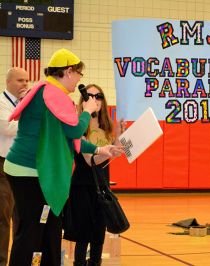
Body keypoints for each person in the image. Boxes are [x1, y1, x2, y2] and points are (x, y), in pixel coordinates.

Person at [3, 49, 124, 266]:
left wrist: (99, 150)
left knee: (50, 227)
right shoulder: (52, 94)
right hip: (29, 171)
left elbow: (67, 137)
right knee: (33, 229)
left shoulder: (49, 92)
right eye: (79, 74)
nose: (79, 80)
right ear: (68, 72)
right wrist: (87, 111)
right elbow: (75, 131)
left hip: (35, 170)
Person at [63, 84, 125, 266]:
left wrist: (120, 133)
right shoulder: (78, 124)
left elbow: (113, 152)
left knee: (98, 235)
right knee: (83, 235)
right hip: (82, 186)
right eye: (90, 96)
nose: (95, 99)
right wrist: (109, 152)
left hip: (102, 187)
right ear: (84, 101)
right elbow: (90, 160)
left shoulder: (106, 125)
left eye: (99, 96)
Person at [0, 67, 29, 266]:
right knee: (3, 217)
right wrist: (31, 120)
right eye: (20, 80)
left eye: (27, 80)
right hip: (3, 165)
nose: (25, 84)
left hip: (23, 166)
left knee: (22, 217)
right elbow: (7, 127)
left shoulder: (24, 104)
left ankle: (19, 261)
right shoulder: (1, 103)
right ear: (8, 82)